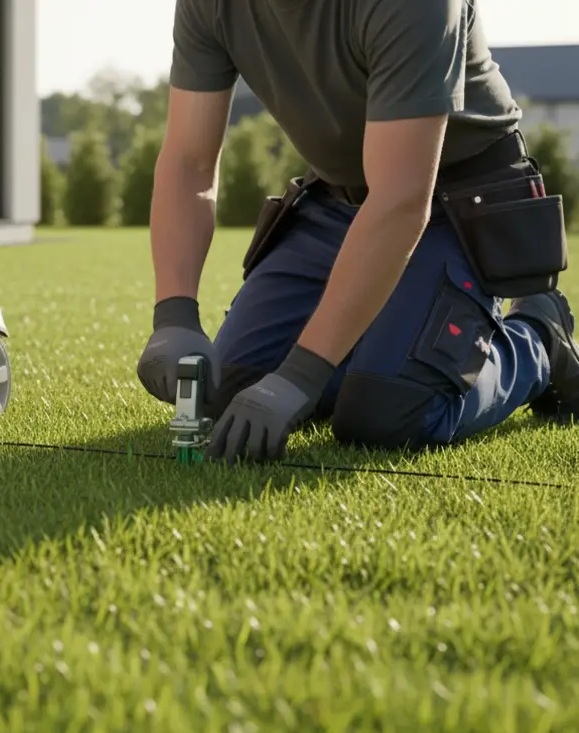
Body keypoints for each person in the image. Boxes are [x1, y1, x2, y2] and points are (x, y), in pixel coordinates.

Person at [135, 0, 578, 464]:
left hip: (456, 202)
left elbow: (402, 200)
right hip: (335, 200)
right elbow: (189, 160)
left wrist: (302, 375)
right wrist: (174, 315)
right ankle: (378, 351)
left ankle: (540, 337)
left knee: (388, 413)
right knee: (228, 391)